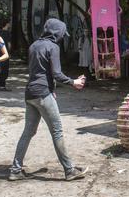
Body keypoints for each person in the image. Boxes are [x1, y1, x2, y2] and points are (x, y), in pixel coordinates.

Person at [8, 18, 88, 182]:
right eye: (61, 34)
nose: (61, 37)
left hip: (30, 94)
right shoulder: (53, 47)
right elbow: (56, 74)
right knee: (57, 131)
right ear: (56, 32)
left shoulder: (34, 45)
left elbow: (39, 72)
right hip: (43, 94)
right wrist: (74, 82)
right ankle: (69, 170)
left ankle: (15, 170)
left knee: (28, 132)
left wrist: (52, 89)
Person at [0, 22, 12, 91]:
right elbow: (9, 44)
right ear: (6, 24)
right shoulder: (7, 33)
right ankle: (2, 85)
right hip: (5, 53)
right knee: (4, 69)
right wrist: (9, 52)